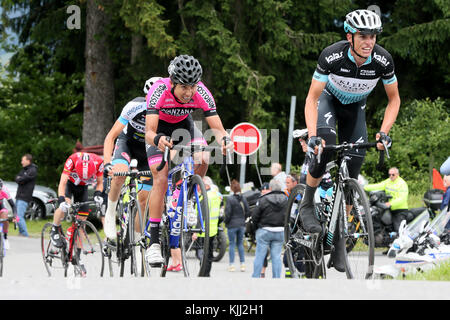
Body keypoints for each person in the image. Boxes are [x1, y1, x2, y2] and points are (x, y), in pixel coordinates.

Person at [300, 9, 400, 272]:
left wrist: (384, 131)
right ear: (350, 36)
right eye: (363, 36)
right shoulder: (331, 56)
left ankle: (339, 240)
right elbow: (311, 99)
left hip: (355, 109)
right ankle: (307, 202)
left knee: (354, 165)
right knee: (325, 143)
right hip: (328, 102)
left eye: (373, 36)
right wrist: (312, 136)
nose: (369, 42)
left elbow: (394, 99)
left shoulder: (383, 60)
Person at [144, 54, 232, 265]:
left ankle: (190, 196)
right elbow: (149, 131)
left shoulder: (201, 91)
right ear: (172, 82)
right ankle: (154, 242)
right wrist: (157, 139)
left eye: (193, 86)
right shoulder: (158, 91)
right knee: (161, 177)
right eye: (184, 86)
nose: (189, 92)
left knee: (204, 156)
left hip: (185, 126)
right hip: (160, 131)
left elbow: (218, 128)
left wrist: (225, 140)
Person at [102, 77, 161, 242]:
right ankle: (111, 212)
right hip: (127, 144)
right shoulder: (134, 106)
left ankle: (135, 239)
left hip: (147, 151)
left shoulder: (165, 113)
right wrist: (108, 164)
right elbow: (110, 137)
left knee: (144, 201)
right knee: (119, 175)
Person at [50, 152, 104, 248]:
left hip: (83, 188)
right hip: (70, 185)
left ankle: (77, 257)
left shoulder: (99, 163)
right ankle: (55, 228)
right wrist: (62, 200)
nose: (84, 178)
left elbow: (100, 183)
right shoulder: (72, 160)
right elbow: (62, 183)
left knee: (82, 223)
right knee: (64, 206)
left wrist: (97, 194)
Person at [251, 179, 287, 278]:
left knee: (260, 256)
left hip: (264, 230)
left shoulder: (263, 199)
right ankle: (276, 278)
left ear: (270, 188)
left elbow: (255, 216)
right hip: (280, 231)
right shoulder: (286, 199)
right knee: (276, 257)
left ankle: (255, 277)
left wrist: (255, 229)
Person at [192, 176, 222, 277]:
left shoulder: (205, 197)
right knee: (209, 253)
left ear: (207, 185)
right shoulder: (216, 195)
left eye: (201, 184)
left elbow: (202, 215)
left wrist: (196, 231)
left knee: (201, 254)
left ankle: (203, 273)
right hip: (212, 230)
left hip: (203, 230)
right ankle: (206, 273)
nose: (199, 187)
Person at [364, 167, 409, 232]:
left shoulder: (402, 184)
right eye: (389, 174)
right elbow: (378, 186)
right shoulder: (388, 181)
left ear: (397, 174)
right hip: (389, 208)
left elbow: (402, 198)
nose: (391, 176)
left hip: (400, 210)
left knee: (398, 229)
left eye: (393, 174)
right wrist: (363, 187)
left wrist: (390, 203)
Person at [224, 179, 249, 272]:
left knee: (231, 244)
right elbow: (247, 211)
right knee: (240, 244)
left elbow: (228, 213)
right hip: (241, 224)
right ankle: (242, 264)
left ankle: (232, 265)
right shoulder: (243, 198)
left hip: (232, 225)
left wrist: (226, 222)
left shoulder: (230, 199)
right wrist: (243, 219)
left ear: (231, 189)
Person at [15, 154, 38, 237]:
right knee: (16, 216)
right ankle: (21, 233)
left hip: (24, 196)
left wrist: (20, 179)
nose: (21, 162)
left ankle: (25, 234)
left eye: (23, 160)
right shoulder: (24, 170)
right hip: (19, 196)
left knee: (19, 216)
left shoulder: (32, 170)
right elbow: (17, 178)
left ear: (28, 161)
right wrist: (20, 179)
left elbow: (22, 179)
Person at [0, 179, 18, 249]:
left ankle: (5, 237)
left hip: (1, 207)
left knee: (4, 216)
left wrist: (14, 216)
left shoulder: (4, 190)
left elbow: (13, 206)